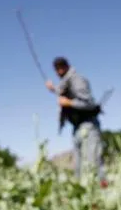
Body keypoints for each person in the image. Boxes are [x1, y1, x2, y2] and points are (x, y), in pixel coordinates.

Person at [45, 56, 108, 188]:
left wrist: (68, 102)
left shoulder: (77, 79)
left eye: (60, 68)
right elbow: (63, 92)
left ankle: (103, 196)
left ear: (66, 67)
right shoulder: (66, 83)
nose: (58, 71)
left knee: (93, 164)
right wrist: (53, 90)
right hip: (77, 128)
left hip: (88, 125)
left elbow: (89, 103)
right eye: (56, 69)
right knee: (78, 168)